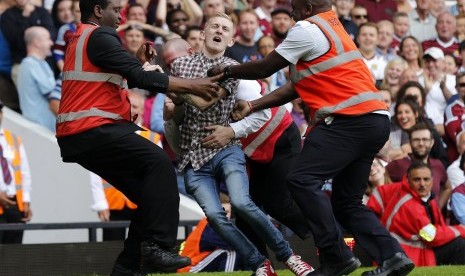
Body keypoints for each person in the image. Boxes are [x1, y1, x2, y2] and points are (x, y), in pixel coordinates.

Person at [208, 0, 414, 275]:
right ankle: (392, 256)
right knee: (346, 203)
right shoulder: (333, 26)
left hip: (347, 121)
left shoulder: (306, 28)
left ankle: (336, 257)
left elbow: (265, 68)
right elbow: (297, 87)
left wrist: (226, 71)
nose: (290, 12)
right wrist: (255, 105)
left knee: (301, 180)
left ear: (306, 9)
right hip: (374, 120)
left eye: (294, 7)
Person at [56, 0, 221, 275]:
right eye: (116, 9)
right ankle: (158, 248)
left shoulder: (82, 36)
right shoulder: (100, 35)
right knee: (159, 165)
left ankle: (128, 268)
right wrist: (195, 84)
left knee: (151, 194)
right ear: (98, 10)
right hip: (94, 128)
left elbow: (123, 73)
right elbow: (137, 78)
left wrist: (139, 63)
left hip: (81, 134)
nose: (121, 15)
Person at [166, 14, 313, 276]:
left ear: (231, 39)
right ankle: (260, 264)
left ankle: (305, 248)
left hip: (270, 137)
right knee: (223, 214)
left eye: (225, 28)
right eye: (214, 26)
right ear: (202, 34)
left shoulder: (233, 70)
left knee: (255, 203)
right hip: (206, 156)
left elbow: (262, 112)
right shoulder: (181, 69)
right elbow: (178, 141)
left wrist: (230, 129)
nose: (219, 30)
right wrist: (171, 114)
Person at [90, 90, 163, 241]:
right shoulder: (108, 136)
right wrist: (100, 203)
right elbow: (95, 170)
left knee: (139, 250)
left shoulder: (152, 138)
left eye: (135, 107)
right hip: (114, 205)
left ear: (143, 111)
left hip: (142, 205)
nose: (131, 110)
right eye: (128, 105)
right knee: (111, 250)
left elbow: (159, 175)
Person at [367, 161, 465, 266]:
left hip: (397, 250)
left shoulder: (417, 194)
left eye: (426, 179)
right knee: (459, 244)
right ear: (408, 181)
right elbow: (430, 236)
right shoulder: (410, 205)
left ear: (432, 181)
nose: (422, 184)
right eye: (417, 180)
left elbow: (378, 195)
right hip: (410, 255)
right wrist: (460, 229)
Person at [386, 122, 452, 210]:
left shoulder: (438, 165)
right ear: (410, 142)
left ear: (432, 143)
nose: (421, 143)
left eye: (425, 139)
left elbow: (447, 188)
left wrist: (437, 208)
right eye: (416, 140)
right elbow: (379, 177)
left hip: (432, 221)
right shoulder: (398, 165)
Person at [0, 100, 32, 244]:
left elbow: (24, 172)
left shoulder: (12, 139)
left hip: (14, 203)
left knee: (14, 253)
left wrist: (26, 200)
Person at [17, 26, 58, 132]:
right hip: (40, 130)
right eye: (48, 39)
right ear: (37, 42)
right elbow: (53, 96)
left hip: (42, 129)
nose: (51, 43)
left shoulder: (40, 64)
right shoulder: (31, 64)